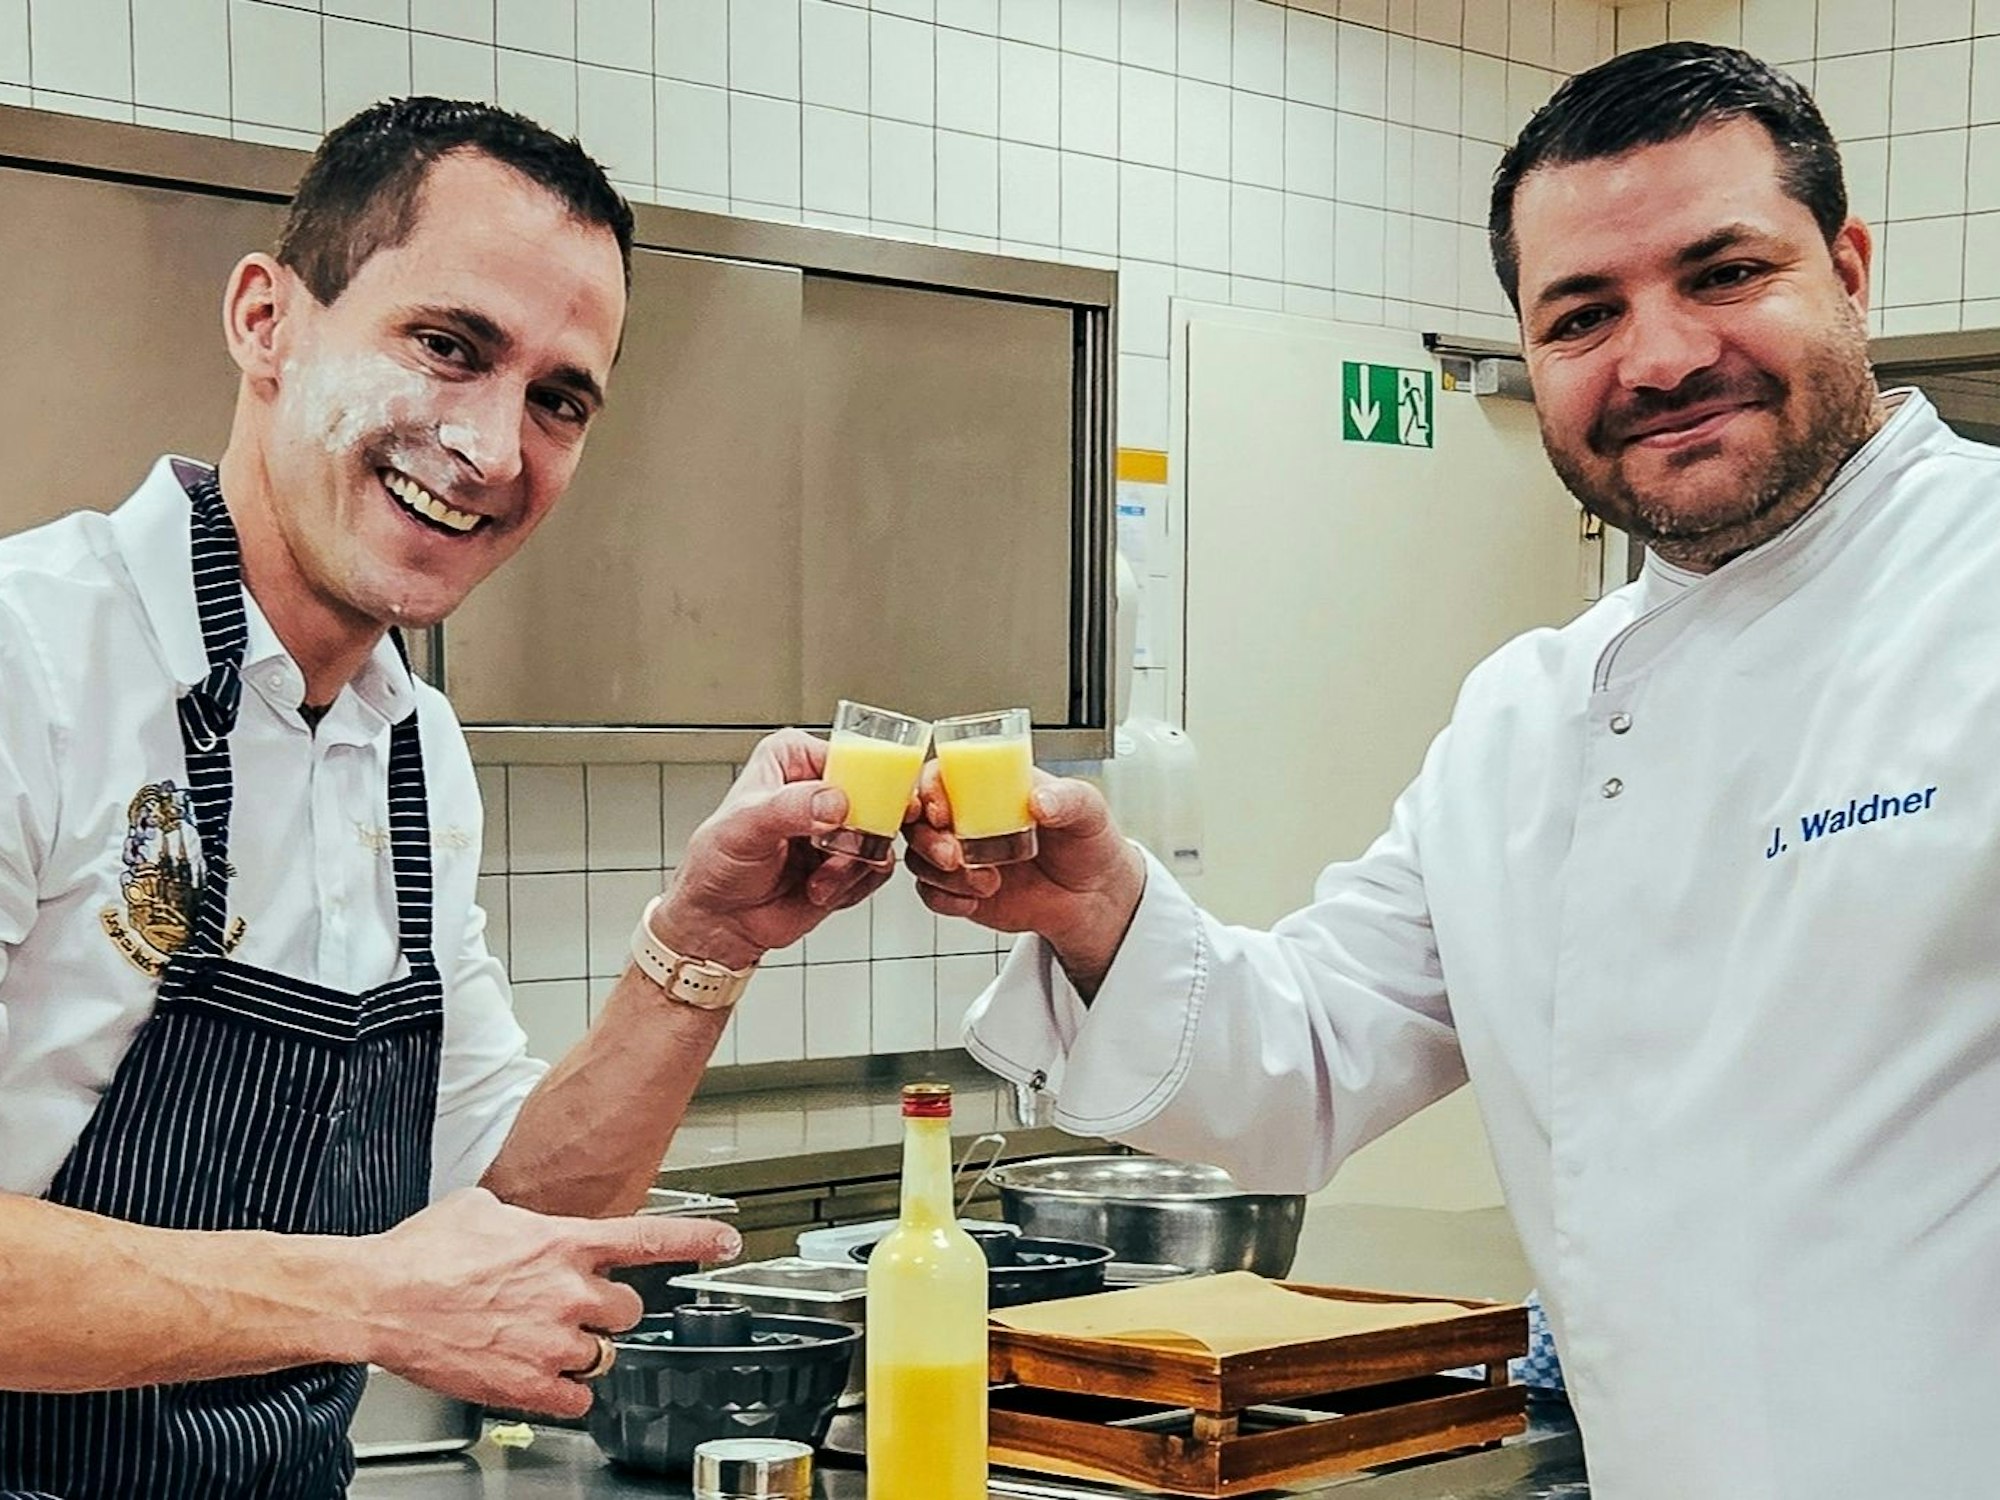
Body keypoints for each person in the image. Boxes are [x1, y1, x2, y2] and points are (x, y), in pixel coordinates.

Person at [911, 43, 2000, 1498]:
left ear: (1851, 269)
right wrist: (1093, 909)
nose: (1660, 357)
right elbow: (1296, 1068)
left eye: (1725, 272)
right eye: (1583, 314)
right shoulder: (1527, 720)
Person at [0, 99, 885, 1499]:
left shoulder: (410, 747)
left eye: (558, 398)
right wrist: (367, 1300)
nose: (490, 446)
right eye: (448, 346)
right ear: (266, 322)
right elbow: (402, 1294)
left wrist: (705, 945)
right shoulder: (30, 661)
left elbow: (507, 1222)